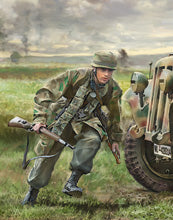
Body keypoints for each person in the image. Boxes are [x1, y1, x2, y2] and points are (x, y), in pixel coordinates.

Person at [20, 51, 123, 205]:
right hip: (62, 118)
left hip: (85, 121)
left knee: (92, 139)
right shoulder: (75, 76)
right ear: (95, 68)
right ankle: (32, 192)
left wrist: (114, 139)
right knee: (47, 153)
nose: (107, 74)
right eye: (103, 69)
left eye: (110, 70)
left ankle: (72, 182)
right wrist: (40, 119)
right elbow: (45, 93)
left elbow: (115, 114)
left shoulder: (112, 88)